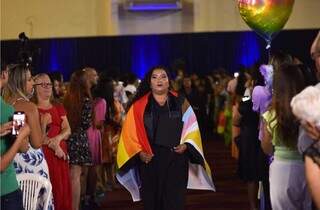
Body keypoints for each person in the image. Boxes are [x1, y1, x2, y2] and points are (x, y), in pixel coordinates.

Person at [116, 66, 215, 210]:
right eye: (154, 77)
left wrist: (186, 145)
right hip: (150, 163)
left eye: (163, 76)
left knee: (174, 203)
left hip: (175, 160)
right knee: (152, 203)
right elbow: (129, 135)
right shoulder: (138, 107)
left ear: (169, 81)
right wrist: (140, 153)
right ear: (149, 83)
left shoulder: (181, 102)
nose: (159, 80)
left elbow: (192, 129)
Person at [4, 64, 54, 210]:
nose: (33, 83)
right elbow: (36, 143)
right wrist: (43, 123)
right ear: (20, 82)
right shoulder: (28, 107)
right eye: (30, 79)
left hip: (11, 165)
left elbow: (15, 136)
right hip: (31, 166)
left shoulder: (5, 104)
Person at [262, 64, 312, 209]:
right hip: (306, 168)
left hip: (281, 170)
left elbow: (266, 148)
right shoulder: (308, 111)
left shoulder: (271, 114)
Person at [33, 73, 73, 210]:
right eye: (43, 84)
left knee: (62, 189)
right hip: (44, 157)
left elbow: (67, 129)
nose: (48, 87)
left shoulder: (58, 106)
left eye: (49, 84)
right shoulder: (32, 109)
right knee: (48, 191)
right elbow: (35, 137)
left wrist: (57, 139)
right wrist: (54, 146)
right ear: (35, 87)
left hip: (60, 157)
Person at [63, 68, 97, 210]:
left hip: (67, 137)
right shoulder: (86, 100)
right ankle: (74, 207)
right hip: (79, 138)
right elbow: (86, 123)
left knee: (72, 175)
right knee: (76, 176)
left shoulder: (67, 99)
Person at [0, 61, 30, 210]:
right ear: (4, 75)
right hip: (5, 190)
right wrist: (21, 135)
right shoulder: (8, 111)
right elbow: (25, 147)